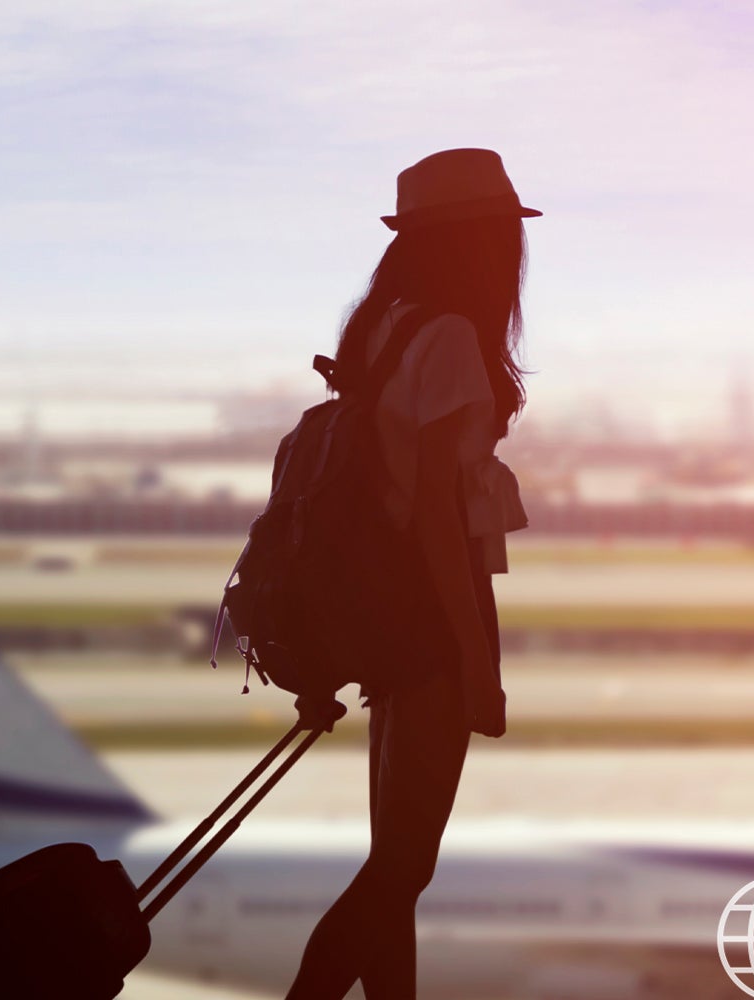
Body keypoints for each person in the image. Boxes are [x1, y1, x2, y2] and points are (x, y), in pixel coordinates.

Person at [286, 148, 536, 1000]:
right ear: (484, 241)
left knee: (393, 878)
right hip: (432, 619)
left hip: (386, 615)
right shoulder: (453, 339)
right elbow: (439, 516)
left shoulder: (384, 326)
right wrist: (477, 658)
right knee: (398, 876)